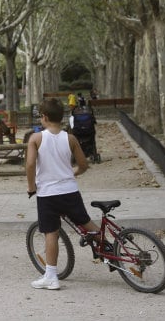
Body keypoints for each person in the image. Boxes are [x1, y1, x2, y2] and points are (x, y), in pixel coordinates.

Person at [26, 98, 102, 290]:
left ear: (43, 117)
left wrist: (31, 186)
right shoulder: (70, 138)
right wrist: (71, 174)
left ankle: (51, 276)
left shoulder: (35, 139)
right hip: (70, 190)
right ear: (62, 117)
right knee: (87, 223)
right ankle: (111, 249)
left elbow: (30, 164)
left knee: (51, 233)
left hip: (48, 194)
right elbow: (84, 165)